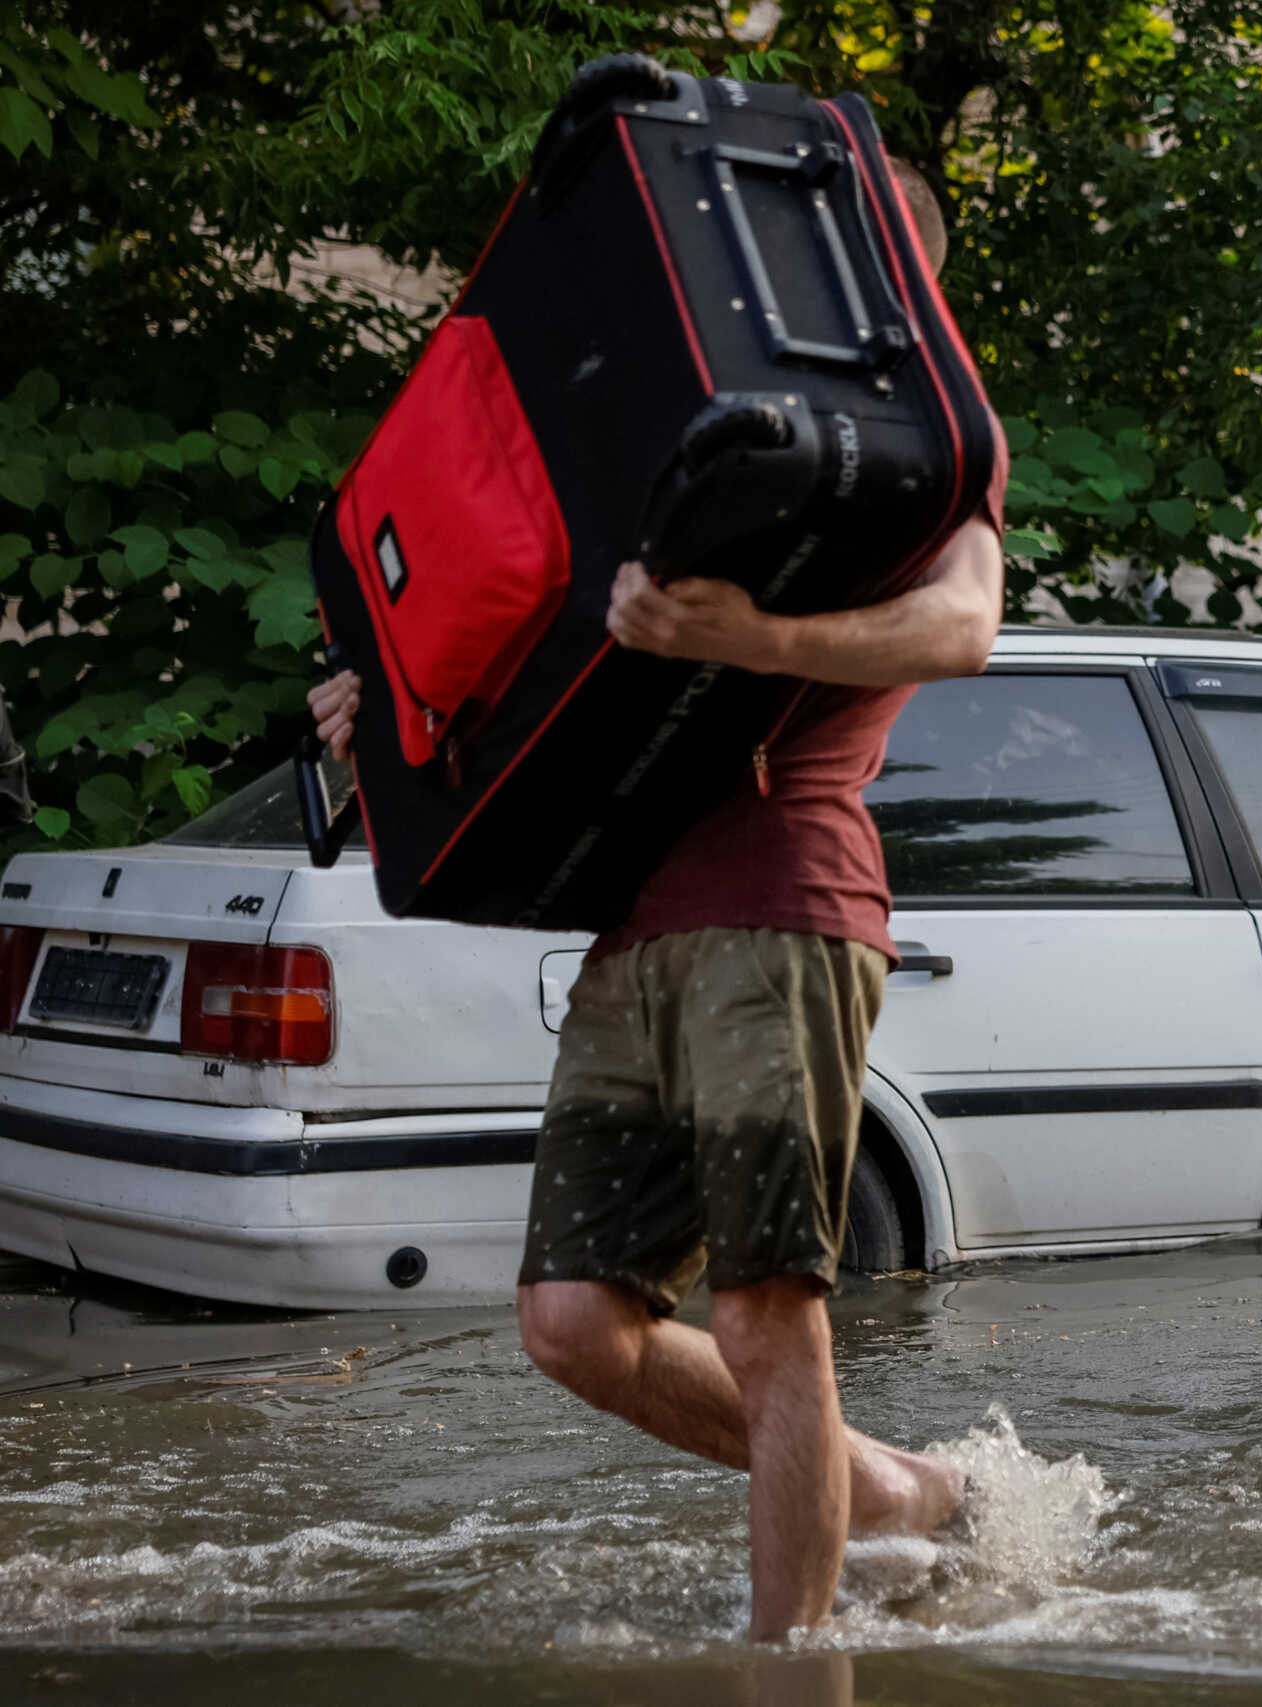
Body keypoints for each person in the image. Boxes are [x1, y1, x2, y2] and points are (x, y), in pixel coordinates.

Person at [309, 160, 1003, 1639]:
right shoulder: (679, 424)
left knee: (766, 1313)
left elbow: (963, 624)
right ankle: (897, 1491)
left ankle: (789, 1663)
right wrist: (398, 717)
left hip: (783, 897)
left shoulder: (929, 443)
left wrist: (765, 635)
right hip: (635, 925)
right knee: (572, 1322)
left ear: (897, 274)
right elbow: (551, 650)